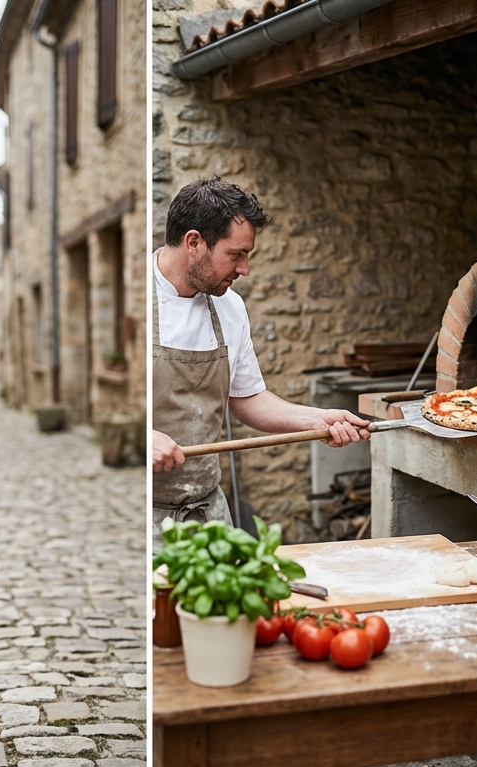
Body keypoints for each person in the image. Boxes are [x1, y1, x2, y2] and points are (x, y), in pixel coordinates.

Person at [151, 177, 370, 547]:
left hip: (208, 514)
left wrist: (317, 419)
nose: (245, 269)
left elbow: (248, 398)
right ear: (194, 243)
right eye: (236, 254)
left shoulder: (230, 306)